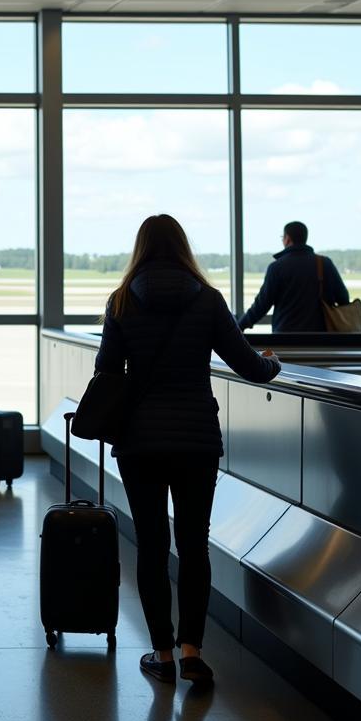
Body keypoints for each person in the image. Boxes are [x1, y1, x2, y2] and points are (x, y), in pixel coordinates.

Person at [95, 214, 281, 688]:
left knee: (153, 545)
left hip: (139, 442)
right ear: (182, 247)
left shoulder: (120, 302)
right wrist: (273, 364)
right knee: (194, 544)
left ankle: (161, 654)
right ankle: (193, 652)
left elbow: (106, 372)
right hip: (196, 440)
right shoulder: (208, 299)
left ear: (140, 249)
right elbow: (248, 366)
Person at [239, 220, 349, 332]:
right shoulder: (325, 264)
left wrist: (239, 326)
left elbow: (261, 306)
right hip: (320, 338)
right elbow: (344, 299)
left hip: (285, 337)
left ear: (287, 239)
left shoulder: (276, 267)